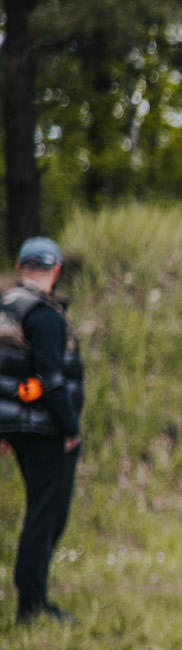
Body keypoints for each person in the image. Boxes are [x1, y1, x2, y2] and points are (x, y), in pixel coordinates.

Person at [1, 237, 85, 626]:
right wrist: (70, 428)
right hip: (45, 428)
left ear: (21, 267)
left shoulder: (8, 308)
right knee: (47, 515)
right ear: (56, 270)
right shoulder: (44, 314)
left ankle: (31, 600)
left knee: (40, 511)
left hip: (18, 425)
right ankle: (32, 604)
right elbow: (50, 378)